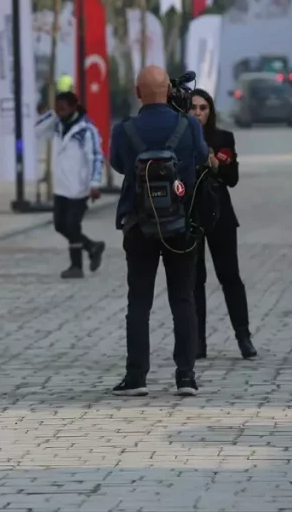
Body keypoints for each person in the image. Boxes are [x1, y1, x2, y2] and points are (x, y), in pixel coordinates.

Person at [108, 66, 210, 397]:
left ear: (138, 93)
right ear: (169, 91)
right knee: (183, 298)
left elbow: (120, 166)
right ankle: (185, 376)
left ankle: (136, 377)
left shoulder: (124, 130)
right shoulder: (189, 124)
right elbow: (201, 159)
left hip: (138, 225)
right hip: (180, 224)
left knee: (139, 301)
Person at [189, 89, 257, 360]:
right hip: (191, 217)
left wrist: (217, 164)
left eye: (203, 108)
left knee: (230, 277)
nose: (198, 113)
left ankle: (243, 336)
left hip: (220, 215)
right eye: (193, 107)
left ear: (211, 111)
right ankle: (197, 342)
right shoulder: (181, 140)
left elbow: (233, 179)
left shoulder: (223, 138)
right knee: (195, 281)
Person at [34, 91, 106, 279]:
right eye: (57, 109)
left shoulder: (86, 130)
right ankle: (92, 246)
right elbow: (37, 131)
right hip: (62, 187)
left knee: (72, 225)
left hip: (79, 188)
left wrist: (95, 183)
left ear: (74, 107)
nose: (60, 112)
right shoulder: (57, 125)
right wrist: (51, 115)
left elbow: (96, 157)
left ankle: (76, 266)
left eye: (63, 109)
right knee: (60, 225)